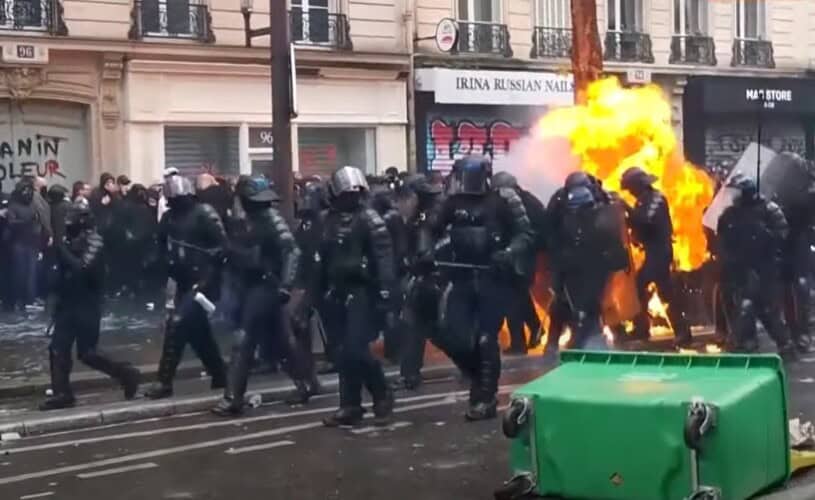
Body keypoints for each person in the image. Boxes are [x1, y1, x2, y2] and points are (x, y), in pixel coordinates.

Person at [432, 156, 533, 421]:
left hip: (492, 278)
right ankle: (476, 377)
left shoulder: (504, 200)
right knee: (453, 334)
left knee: (486, 339)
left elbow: (524, 234)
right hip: (461, 277)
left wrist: (508, 253)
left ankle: (485, 398)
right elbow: (430, 229)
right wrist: (425, 252)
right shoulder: (451, 202)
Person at [212, 176, 317, 416]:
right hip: (249, 286)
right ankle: (307, 382)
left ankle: (233, 398)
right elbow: (240, 249)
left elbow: (292, 251)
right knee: (280, 343)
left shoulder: (271, 219)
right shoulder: (240, 220)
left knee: (244, 339)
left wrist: (285, 285)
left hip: (266, 286)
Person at [40, 202, 140, 410]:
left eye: (72, 220)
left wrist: (61, 250)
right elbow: (60, 274)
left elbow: (82, 269)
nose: (68, 225)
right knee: (58, 348)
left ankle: (126, 373)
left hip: (87, 303)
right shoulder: (70, 240)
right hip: (68, 302)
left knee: (88, 353)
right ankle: (62, 393)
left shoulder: (95, 241)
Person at [319, 166, 396, 427]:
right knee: (342, 352)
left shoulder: (370, 219)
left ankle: (382, 392)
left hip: (363, 291)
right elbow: (322, 257)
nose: (350, 198)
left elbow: (384, 258)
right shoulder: (328, 219)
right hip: (336, 291)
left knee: (355, 348)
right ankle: (350, 404)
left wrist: (385, 293)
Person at [145, 175, 228, 399]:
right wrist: (157, 265)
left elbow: (222, 247)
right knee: (198, 332)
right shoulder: (169, 218)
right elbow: (160, 246)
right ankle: (220, 374)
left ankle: (164, 382)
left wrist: (209, 270)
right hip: (182, 281)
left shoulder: (205, 213)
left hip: (204, 282)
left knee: (178, 324)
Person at [717, 173, 796, 359]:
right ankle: (748, 343)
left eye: (737, 192)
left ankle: (785, 344)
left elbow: (783, 234)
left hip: (764, 267)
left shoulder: (769, 209)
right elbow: (722, 239)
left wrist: (763, 233)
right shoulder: (730, 215)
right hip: (739, 268)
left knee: (767, 309)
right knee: (743, 306)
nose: (733, 197)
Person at [620, 166, 692, 349]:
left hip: (661, 252)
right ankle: (644, 327)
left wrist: (626, 208)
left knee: (662, 291)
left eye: (631, 188)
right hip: (653, 251)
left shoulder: (655, 199)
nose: (630, 192)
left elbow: (645, 221)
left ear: (638, 185)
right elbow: (639, 225)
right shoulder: (643, 200)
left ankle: (681, 332)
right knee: (645, 287)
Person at [491, 171, 545, 353]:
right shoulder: (529, 200)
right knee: (520, 298)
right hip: (519, 259)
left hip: (520, 260)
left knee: (512, 301)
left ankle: (518, 343)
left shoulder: (524, 204)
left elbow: (531, 233)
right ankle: (536, 328)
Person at [399, 174, 444, 390]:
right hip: (420, 278)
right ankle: (409, 374)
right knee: (413, 326)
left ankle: (473, 365)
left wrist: (429, 258)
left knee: (441, 331)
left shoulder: (436, 215)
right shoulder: (418, 217)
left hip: (436, 279)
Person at [370, 184, 408, 364]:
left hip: (391, 271)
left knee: (391, 313)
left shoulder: (389, 218)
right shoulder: (391, 217)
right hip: (391, 269)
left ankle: (394, 352)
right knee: (391, 313)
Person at [6, 180, 39, 311]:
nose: (28, 193)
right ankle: (18, 300)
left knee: (31, 273)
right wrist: (27, 222)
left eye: (29, 190)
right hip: (18, 244)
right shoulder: (13, 206)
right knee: (20, 273)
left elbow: (38, 222)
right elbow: (11, 222)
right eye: (25, 190)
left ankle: (30, 299)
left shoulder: (33, 205)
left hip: (31, 243)